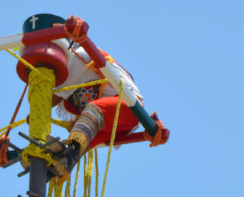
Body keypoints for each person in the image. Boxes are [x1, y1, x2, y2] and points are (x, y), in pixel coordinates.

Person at [49, 43, 164, 174]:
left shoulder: (80, 53)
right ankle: (53, 170)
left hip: (126, 106)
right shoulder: (75, 60)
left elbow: (56, 95)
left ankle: (62, 161)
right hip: (110, 122)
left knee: (92, 111)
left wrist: (38, 113)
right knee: (75, 146)